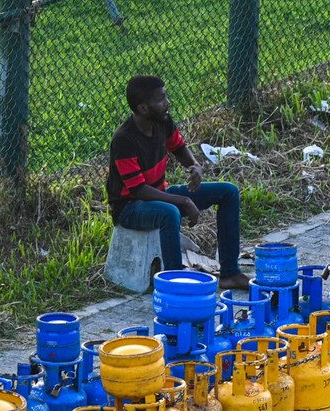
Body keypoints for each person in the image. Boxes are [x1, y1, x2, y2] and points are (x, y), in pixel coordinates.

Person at [106, 75, 250, 290]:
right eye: (161, 99)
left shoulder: (162, 122)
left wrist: (194, 165)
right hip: (129, 207)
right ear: (143, 108)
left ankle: (230, 273)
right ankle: (176, 285)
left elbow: (179, 148)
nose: (167, 103)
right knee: (169, 212)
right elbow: (137, 190)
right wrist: (181, 200)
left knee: (228, 192)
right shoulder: (124, 139)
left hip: (157, 194)